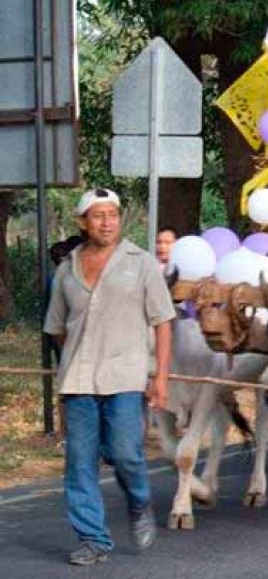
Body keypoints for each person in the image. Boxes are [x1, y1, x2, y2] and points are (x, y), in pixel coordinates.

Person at [43, 189, 175, 566]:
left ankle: (139, 502)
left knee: (125, 454)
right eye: (98, 216)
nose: (107, 222)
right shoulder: (66, 269)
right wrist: (80, 353)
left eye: (113, 215)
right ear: (82, 222)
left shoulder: (142, 263)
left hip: (124, 379)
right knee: (79, 462)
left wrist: (160, 378)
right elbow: (57, 327)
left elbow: (163, 322)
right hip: (78, 381)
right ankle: (93, 539)